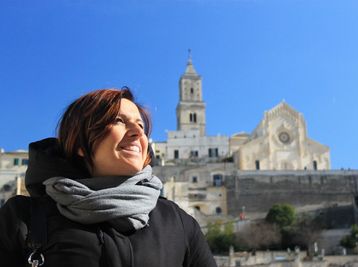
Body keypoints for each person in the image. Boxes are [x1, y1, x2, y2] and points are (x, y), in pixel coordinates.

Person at [0, 88, 217, 267]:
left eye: (141, 125)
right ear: (79, 144)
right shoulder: (23, 218)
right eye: (118, 120)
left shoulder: (177, 222)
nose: (137, 132)